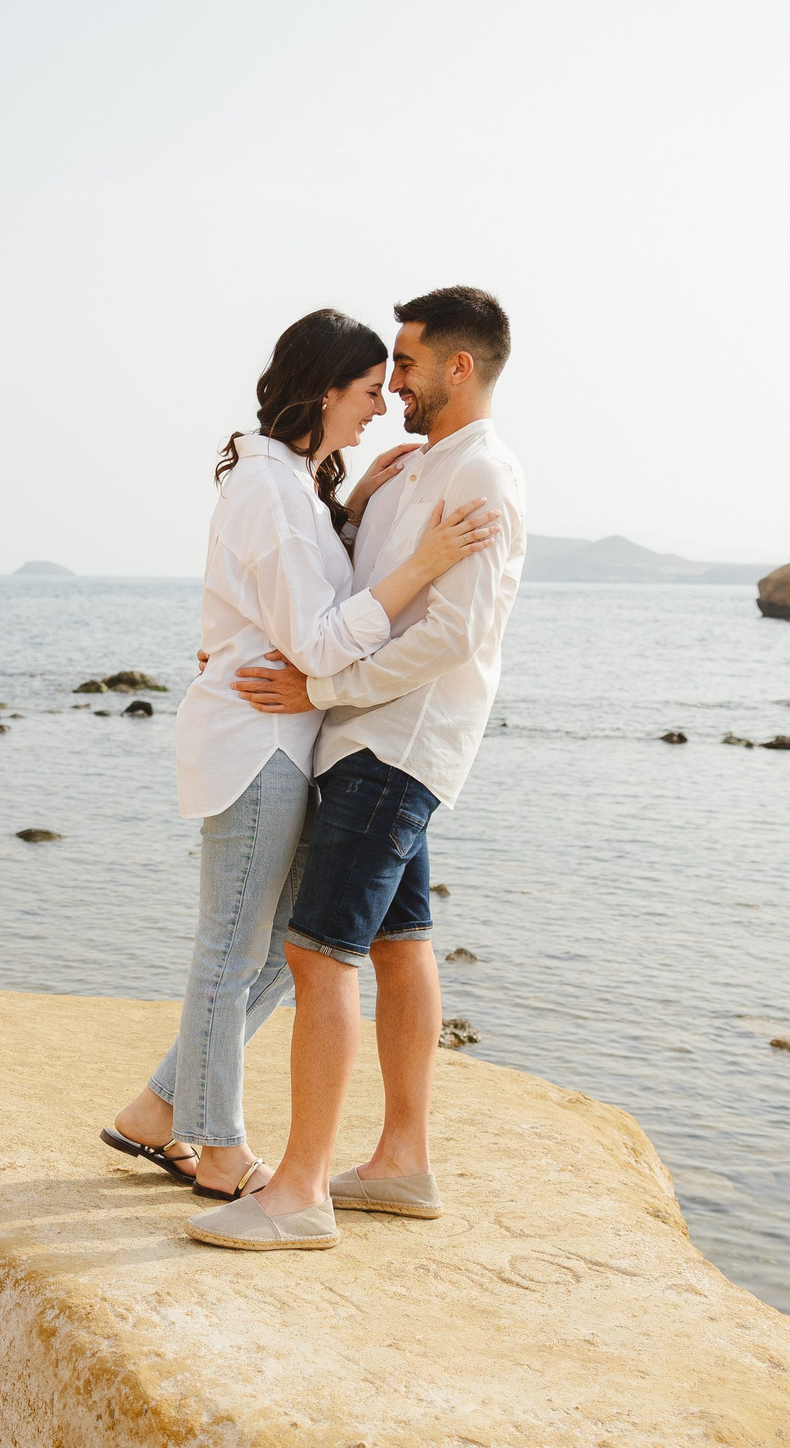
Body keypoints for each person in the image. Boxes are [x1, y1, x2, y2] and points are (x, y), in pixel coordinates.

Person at [100, 308, 499, 1202]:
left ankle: (160, 1109)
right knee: (236, 952)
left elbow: (305, 590)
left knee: (274, 951)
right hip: (260, 740)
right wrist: (423, 558)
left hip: (285, 741)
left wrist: (351, 506)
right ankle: (219, 1148)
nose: (378, 405)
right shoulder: (272, 489)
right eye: (367, 388)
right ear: (326, 390)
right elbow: (320, 641)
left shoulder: (291, 482)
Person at [186, 285, 526, 1252]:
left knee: (314, 950)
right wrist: (361, 499)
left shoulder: (485, 477)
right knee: (398, 939)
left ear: (458, 368)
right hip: (363, 736)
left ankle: (297, 1192)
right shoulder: (418, 468)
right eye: (382, 375)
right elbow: (331, 582)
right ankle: (402, 1161)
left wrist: (324, 693)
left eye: (406, 366)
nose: (395, 388)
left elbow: (458, 634)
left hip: (392, 743)